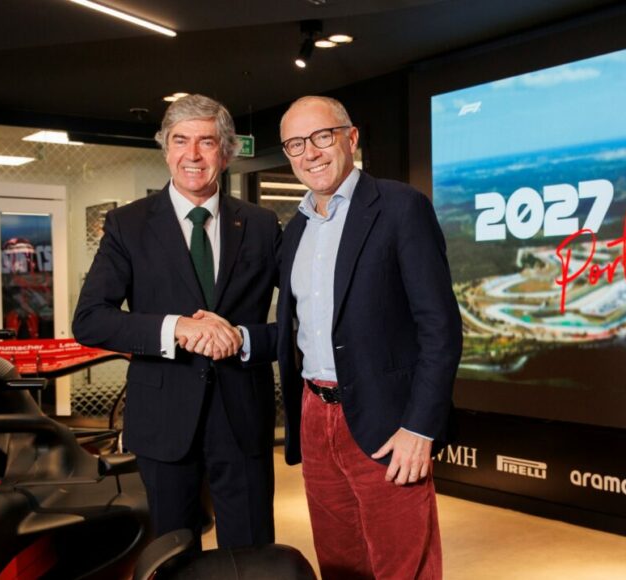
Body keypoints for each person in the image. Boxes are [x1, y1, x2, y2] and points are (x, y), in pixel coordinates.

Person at [241, 95, 463, 579]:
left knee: (402, 566)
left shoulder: (400, 207)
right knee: (340, 565)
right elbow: (302, 330)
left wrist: (420, 427)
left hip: (388, 421)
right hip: (315, 417)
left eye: (322, 136)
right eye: (295, 144)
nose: (310, 153)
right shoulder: (295, 230)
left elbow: (441, 327)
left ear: (351, 137)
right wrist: (237, 338)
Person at [72, 94, 281, 549]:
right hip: (162, 423)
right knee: (173, 558)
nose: (193, 155)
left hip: (242, 419)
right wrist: (176, 328)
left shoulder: (262, 226)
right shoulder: (127, 224)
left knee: (251, 560)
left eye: (207, 142)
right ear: (165, 149)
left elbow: (305, 322)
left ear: (226, 152)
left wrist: (245, 338)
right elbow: (90, 320)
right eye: (181, 140)